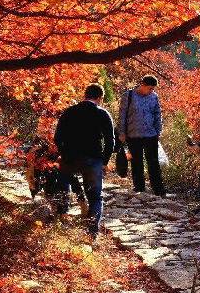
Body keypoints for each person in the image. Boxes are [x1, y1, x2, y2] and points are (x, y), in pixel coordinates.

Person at [54, 83, 115, 240]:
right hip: (93, 159)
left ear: (85, 95)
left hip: (70, 158)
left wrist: (64, 153)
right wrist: (104, 161)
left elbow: (57, 137)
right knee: (95, 196)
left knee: (63, 188)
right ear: (100, 98)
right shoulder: (102, 114)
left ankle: (62, 219)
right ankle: (91, 234)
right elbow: (110, 142)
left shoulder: (69, 112)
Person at [118, 75, 165, 196]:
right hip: (133, 134)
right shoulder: (128, 96)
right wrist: (122, 132)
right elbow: (122, 115)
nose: (152, 91)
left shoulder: (154, 97)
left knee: (153, 162)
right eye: (150, 88)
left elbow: (157, 113)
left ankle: (158, 189)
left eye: (153, 89)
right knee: (136, 162)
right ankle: (139, 188)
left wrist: (158, 130)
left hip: (151, 134)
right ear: (142, 85)